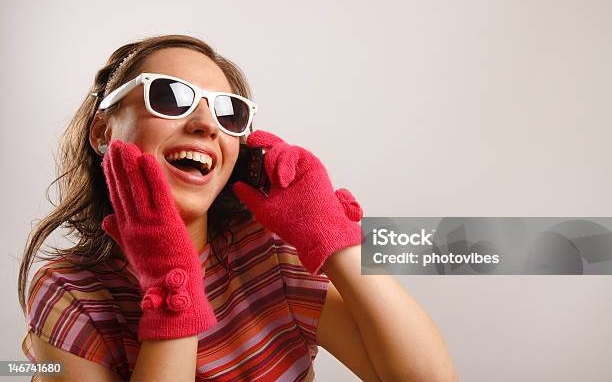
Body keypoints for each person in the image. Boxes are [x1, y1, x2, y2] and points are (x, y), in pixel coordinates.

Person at [18, 34, 458, 381]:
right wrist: (174, 290)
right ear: (102, 131)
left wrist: (331, 233)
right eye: (171, 96)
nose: (206, 123)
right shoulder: (68, 294)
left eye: (229, 113)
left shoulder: (265, 255)